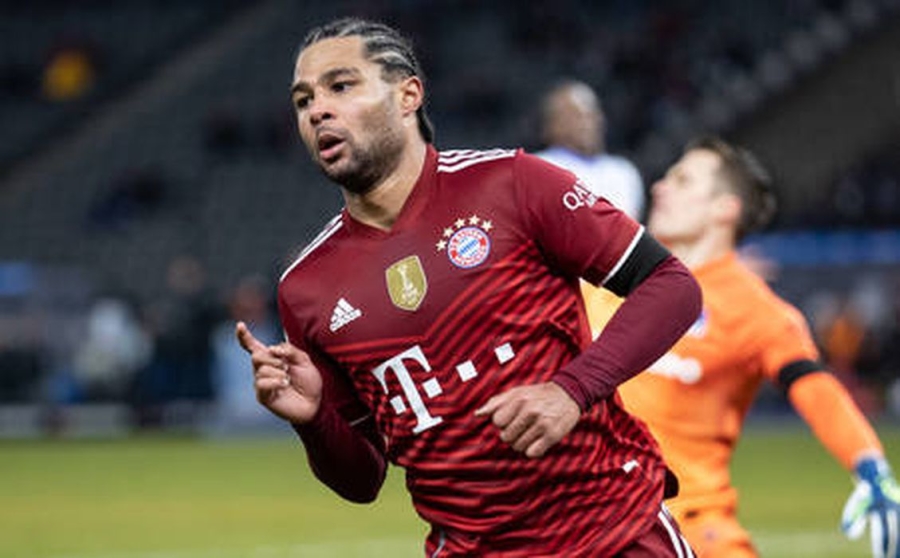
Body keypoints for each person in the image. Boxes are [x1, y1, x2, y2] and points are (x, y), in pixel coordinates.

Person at [235, 17, 703, 557]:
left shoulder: (514, 184)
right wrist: (315, 421)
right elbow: (362, 479)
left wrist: (571, 390)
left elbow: (672, 286)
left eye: (340, 86)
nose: (317, 110)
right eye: (303, 100)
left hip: (614, 532)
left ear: (408, 94)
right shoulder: (306, 288)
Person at [583, 136, 900, 557]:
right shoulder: (605, 274)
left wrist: (871, 469)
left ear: (724, 208)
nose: (660, 187)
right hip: (583, 522)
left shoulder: (755, 308)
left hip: (689, 525)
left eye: (682, 180)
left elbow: (815, 388)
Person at [535, 79, 645, 220]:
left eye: (591, 113)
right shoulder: (536, 168)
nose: (586, 122)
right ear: (551, 125)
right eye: (575, 115)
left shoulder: (624, 172)